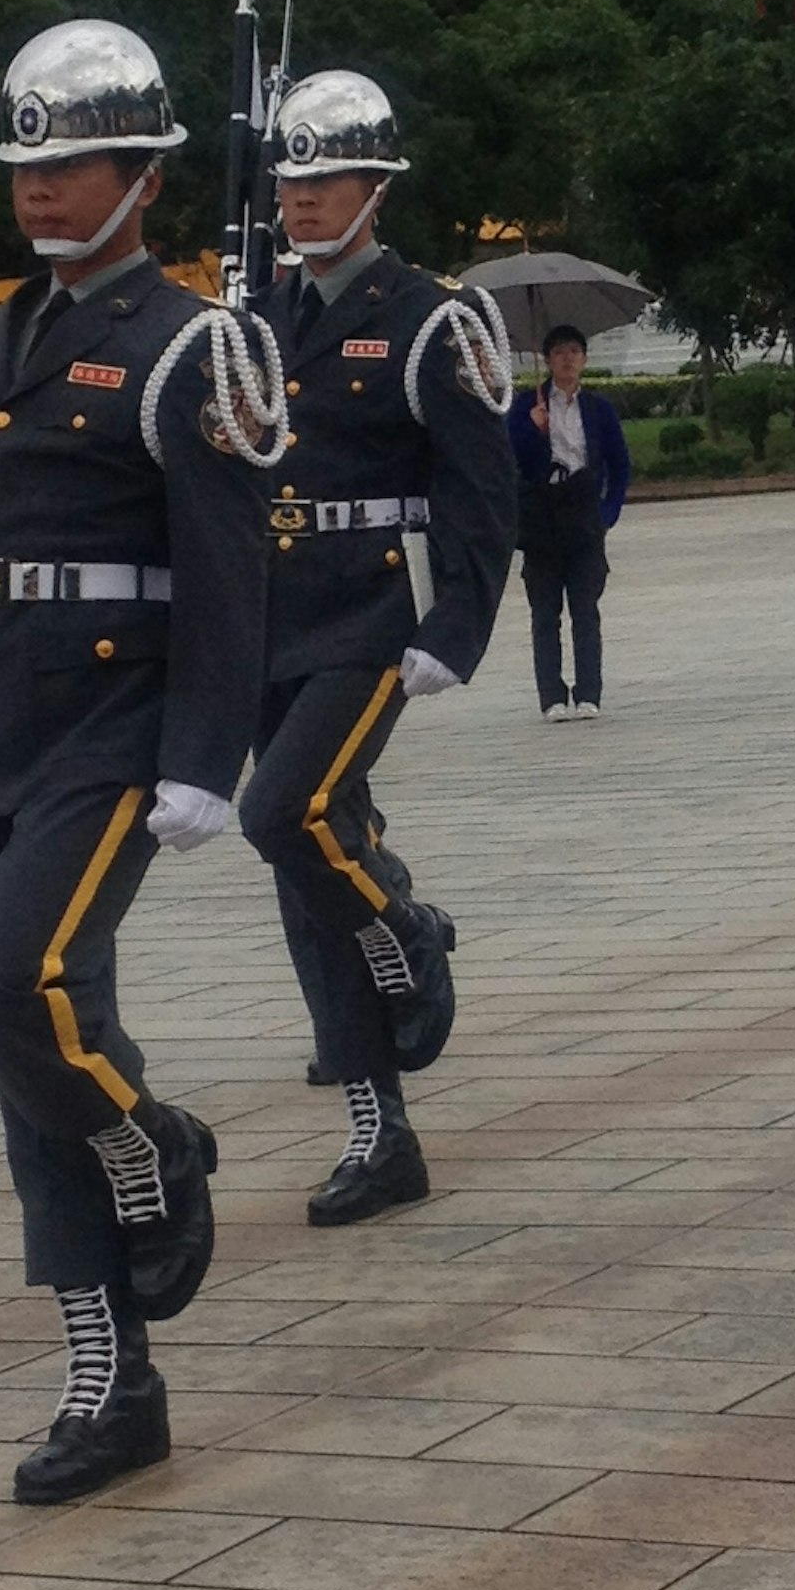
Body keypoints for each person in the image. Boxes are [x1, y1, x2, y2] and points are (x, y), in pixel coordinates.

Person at [0, 19, 279, 1501]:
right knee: (28, 1058)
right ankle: (108, 1382)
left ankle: (158, 1147)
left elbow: (232, 569)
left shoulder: (196, 343)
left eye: (77, 165)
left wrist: (209, 753)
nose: (46, 189)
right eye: (30, 166)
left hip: (118, 724)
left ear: (145, 176)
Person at [237, 68, 518, 1227]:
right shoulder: (259, 316)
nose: (304, 199)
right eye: (291, 178)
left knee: (283, 814)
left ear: (376, 185)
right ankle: (377, 1130)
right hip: (272, 614)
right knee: (313, 881)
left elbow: (483, 491)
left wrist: (459, 622)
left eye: (327, 177)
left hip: (372, 614)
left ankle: (407, 926)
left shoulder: (428, 315)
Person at [508, 326, 629, 717]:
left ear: (585, 360)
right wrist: (534, 429)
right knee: (545, 613)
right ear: (547, 360)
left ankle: (589, 692)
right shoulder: (528, 406)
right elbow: (511, 463)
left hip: (583, 514)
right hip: (542, 516)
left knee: (585, 609)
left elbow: (619, 465)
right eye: (560, 352)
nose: (567, 359)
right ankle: (552, 696)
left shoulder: (598, 409)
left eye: (575, 351)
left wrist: (607, 513)